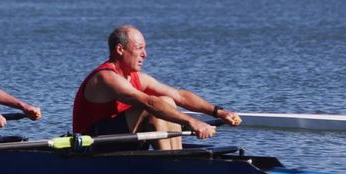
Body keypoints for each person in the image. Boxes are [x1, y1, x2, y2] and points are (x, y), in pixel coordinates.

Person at [73, 25, 241, 151]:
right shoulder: (106, 77)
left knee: (167, 100)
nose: (145, 54)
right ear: (120, 50)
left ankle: (175, 157)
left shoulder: (138, 78)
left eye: (144, 48)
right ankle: (172, 164)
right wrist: (192, 122)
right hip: (93, 145)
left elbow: (180, 96)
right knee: (150, 107)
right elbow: (150, 103)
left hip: (121, 140)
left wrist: (218, 112)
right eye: (139, 48)